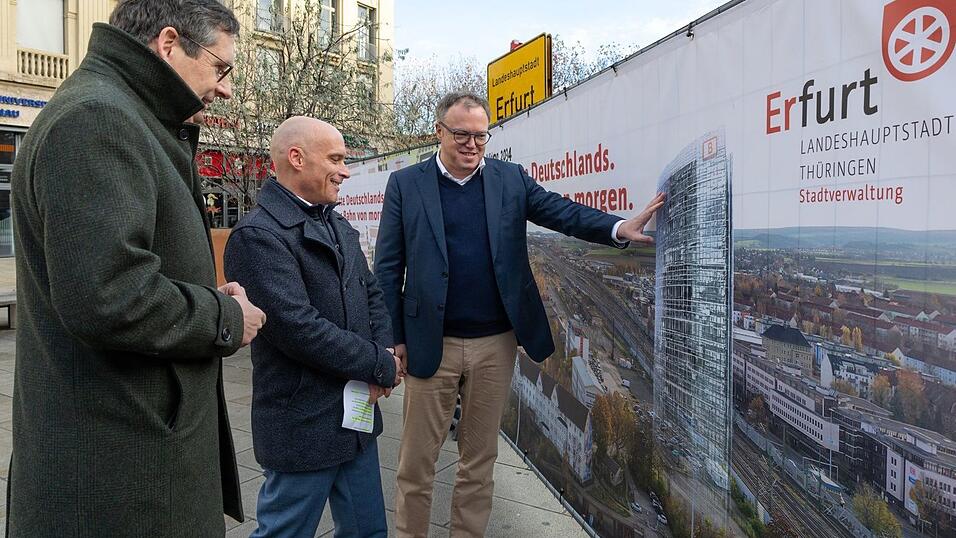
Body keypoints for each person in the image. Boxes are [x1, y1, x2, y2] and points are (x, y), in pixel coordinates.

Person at [8, 0, 267, 535]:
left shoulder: (124, 114)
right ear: (169, 44)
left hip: (130, 458)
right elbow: (108, 295)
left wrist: (201, 291)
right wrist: (224, 317)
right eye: (220, 67)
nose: (226, 89)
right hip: (120, 476)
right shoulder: (97, 118)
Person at [374, 91, 665, 537]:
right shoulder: (406, 184)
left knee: (479, 462)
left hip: (495, 345)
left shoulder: (509, 180)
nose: (472, 145)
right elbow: (388, 267)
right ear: (439, 132)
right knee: (416, 465)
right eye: (461, 135)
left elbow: (562, 212)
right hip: (430, 343)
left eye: (481, 136)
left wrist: (617, 227)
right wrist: (394, 339)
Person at [224, 116, 403, 538]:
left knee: (368, 532)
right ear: (297, 158)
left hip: (355, 419)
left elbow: (371, 293)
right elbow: (299, 328)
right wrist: (378, 364)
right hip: (303, 424)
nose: (345, 171)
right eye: (336, 159)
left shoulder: (335, 222)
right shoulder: (257, 236)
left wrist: (384, 351)